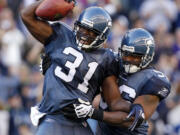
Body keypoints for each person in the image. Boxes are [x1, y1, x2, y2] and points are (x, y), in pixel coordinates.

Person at [21, 1, 144, 135]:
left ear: (102, 36)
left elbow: (114, 102)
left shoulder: (106, 59)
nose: (84, 34)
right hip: (55, 117)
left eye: (91, 32)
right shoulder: (61, 35)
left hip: (78, 122)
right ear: (77, 25)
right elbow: (26, 15)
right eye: (83, 28)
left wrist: (134, 106)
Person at [70, 28, 171, 135]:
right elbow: (114, 102)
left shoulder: (155, 80)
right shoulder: (112, 61)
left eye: (135, 56)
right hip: (102, 130)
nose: (128, 59)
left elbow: (132, 120)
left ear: (147, 57)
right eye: (126, 54)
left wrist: (93, 113)